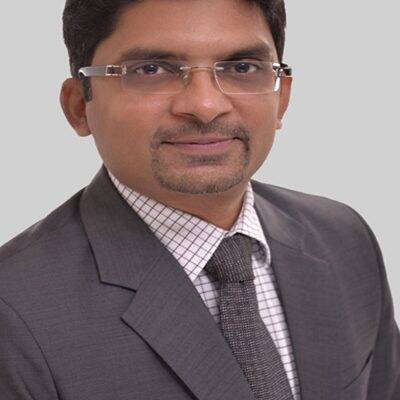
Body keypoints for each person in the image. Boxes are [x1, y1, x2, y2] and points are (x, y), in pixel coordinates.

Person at [0, 0, 398, 399]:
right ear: (78, 107)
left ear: (282, 98)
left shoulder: (343, 239)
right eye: (151, 69)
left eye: (242, 68)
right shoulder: (14, 309)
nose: (206, 106)